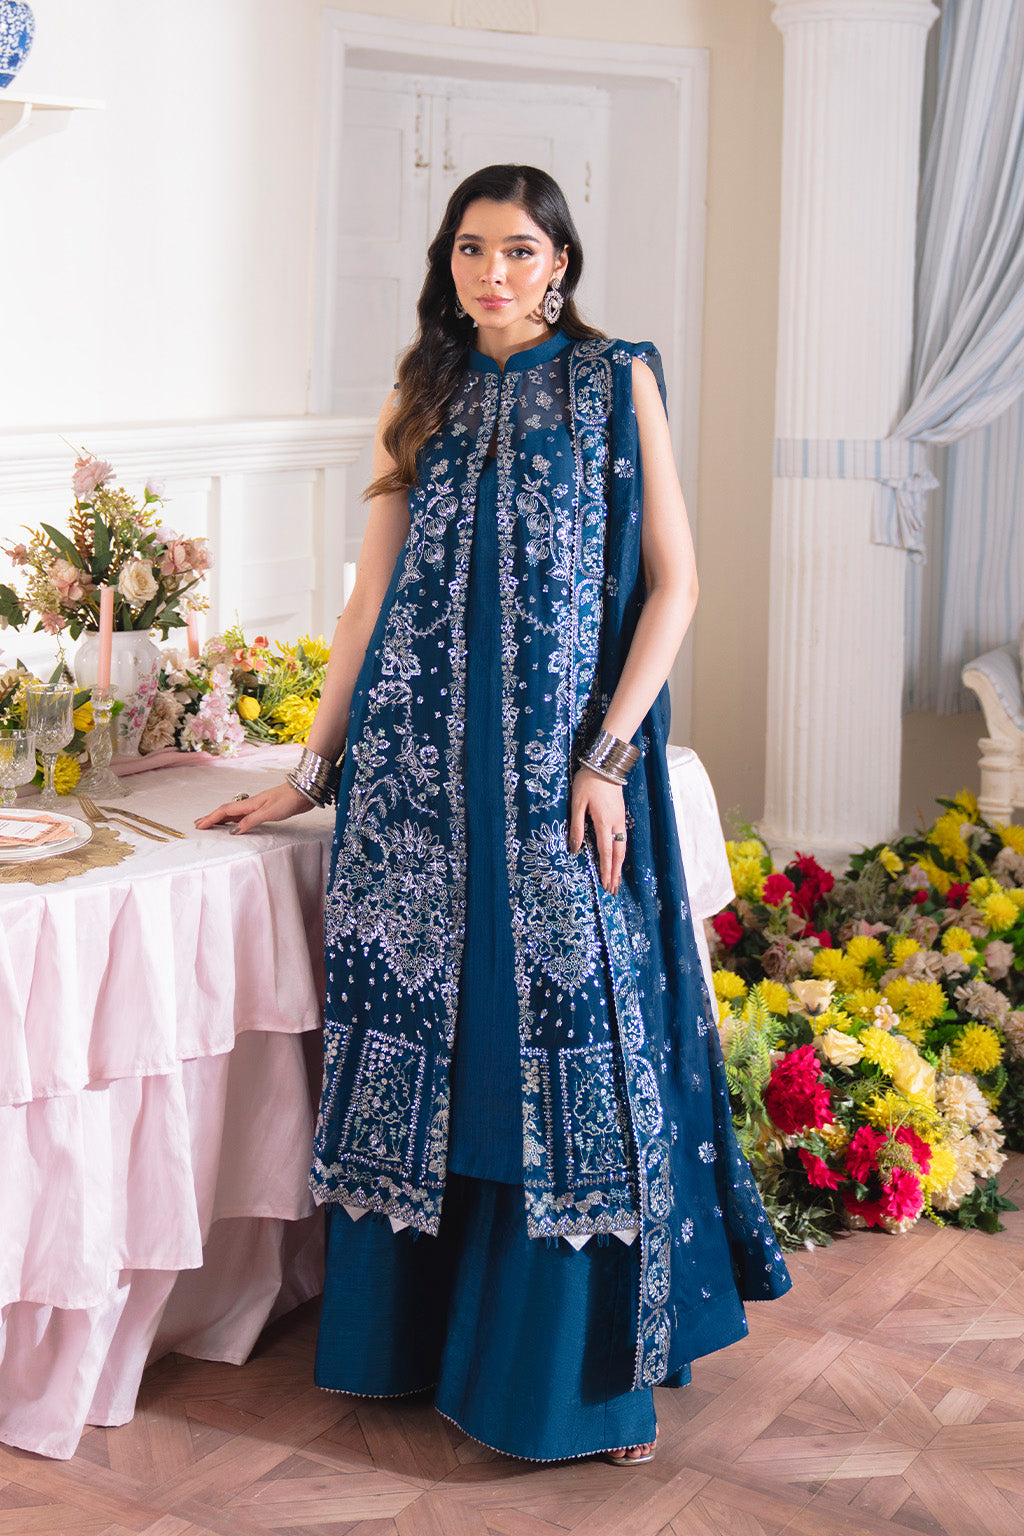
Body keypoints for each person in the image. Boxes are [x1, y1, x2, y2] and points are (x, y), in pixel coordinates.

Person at [197, 163, 790, 1465]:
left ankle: (578, 1377)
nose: (493, 272)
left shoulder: (613, 381)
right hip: (411, 796)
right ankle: (408, 1346)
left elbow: (677, 585)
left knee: (571, 1048)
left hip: (552, 790)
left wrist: (607, 757)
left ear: (560, 261)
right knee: (429, 1049)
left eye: (519, 249)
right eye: (471, 248)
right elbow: (369, 600)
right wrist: (311, 774)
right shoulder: (422, 390)